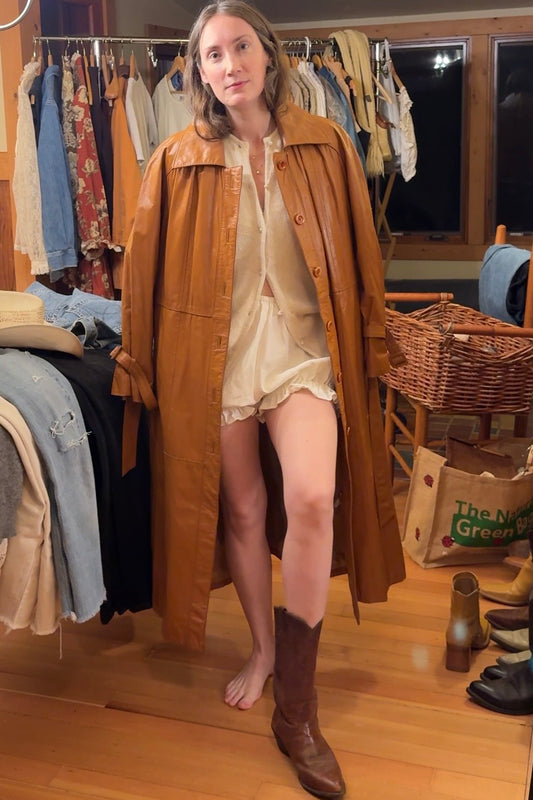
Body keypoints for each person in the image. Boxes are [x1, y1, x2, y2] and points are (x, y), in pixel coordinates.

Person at [111, 2, 405, 797]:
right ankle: (265, 650)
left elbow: (359, 251)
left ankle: (297, 709)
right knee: (240, 511)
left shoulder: (324, 143)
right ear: (198, 72)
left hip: (302, 353)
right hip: (214, 358)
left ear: (267, 54)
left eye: (240, 46)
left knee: (310, 498)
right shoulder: (175, 159)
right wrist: (138, 363)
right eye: (212, 54)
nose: (228, 63)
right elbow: (142, 271)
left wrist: (373, 338)